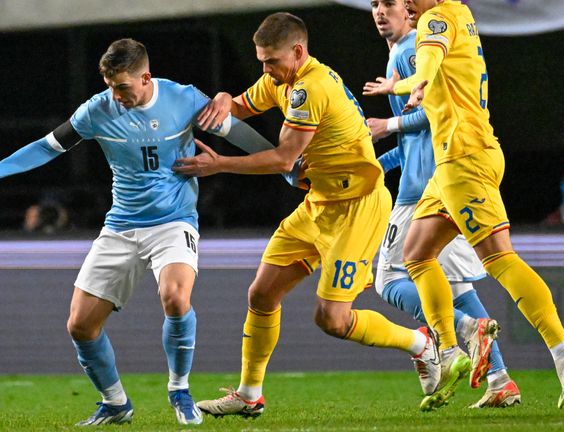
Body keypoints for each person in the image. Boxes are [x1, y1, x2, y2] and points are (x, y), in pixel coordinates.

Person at [0, 38, 280, 426]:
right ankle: (115, 403)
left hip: (173, 221)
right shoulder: (98, 109)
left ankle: (179, 390)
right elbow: (48, 146)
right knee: (80, 325)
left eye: (122, 87)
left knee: (175, 297)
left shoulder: (183, 99)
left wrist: (286, 165)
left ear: (145, 77)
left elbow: (237, 133)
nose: (115, 95)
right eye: (108, 86)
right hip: (121, 225)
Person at [175, 12, 438, 418]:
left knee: (332, 319)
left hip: (357, 208)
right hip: (320, 203)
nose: (265, 69)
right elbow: (244, 106)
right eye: (261, 60)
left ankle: (422, 344)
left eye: (271, 61)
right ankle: (249, 395)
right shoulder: (284, 78)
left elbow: (283, 158)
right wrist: (227, 98)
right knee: (262, 294)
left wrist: (219, 165)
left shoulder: (309, 89)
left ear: (298, 52)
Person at [362, 0, 564, 410]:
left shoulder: (434, 20)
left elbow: (429, 64)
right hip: (453, 163)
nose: (406, 3)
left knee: (499, 259)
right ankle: (451, 350)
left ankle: (562, 345)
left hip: (464, 159)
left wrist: (406, 86)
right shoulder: (462, 13)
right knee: (417, 255)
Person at [367, 0, 519, 408]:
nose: (382, 11)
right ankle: (500, 380)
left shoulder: (413, 48)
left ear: (409, 8)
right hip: (441, 178)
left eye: (391, 3)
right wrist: (377, 166)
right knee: (456, 285)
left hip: (426, 188)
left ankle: (462, 333)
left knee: (386, 280)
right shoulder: (406, 48)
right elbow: (412, 141)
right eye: (375, 4)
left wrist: (389, 125)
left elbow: (431, 115)